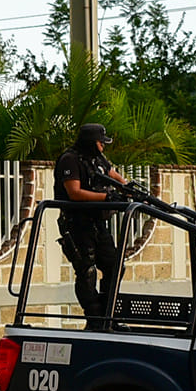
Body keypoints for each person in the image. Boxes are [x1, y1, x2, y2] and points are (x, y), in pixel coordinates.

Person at [53, 123, 128, 324]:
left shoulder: (97, 159)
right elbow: (74, 192)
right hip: (77, 223)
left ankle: (107, 312)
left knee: (115, 266)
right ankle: (94, 316)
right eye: (101, 143)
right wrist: (105, 198)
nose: (103, 146)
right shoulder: (70, 159)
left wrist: (127, 188)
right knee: (87, 271)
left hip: (97, 222)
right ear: (91, 142)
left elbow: (112, 174)